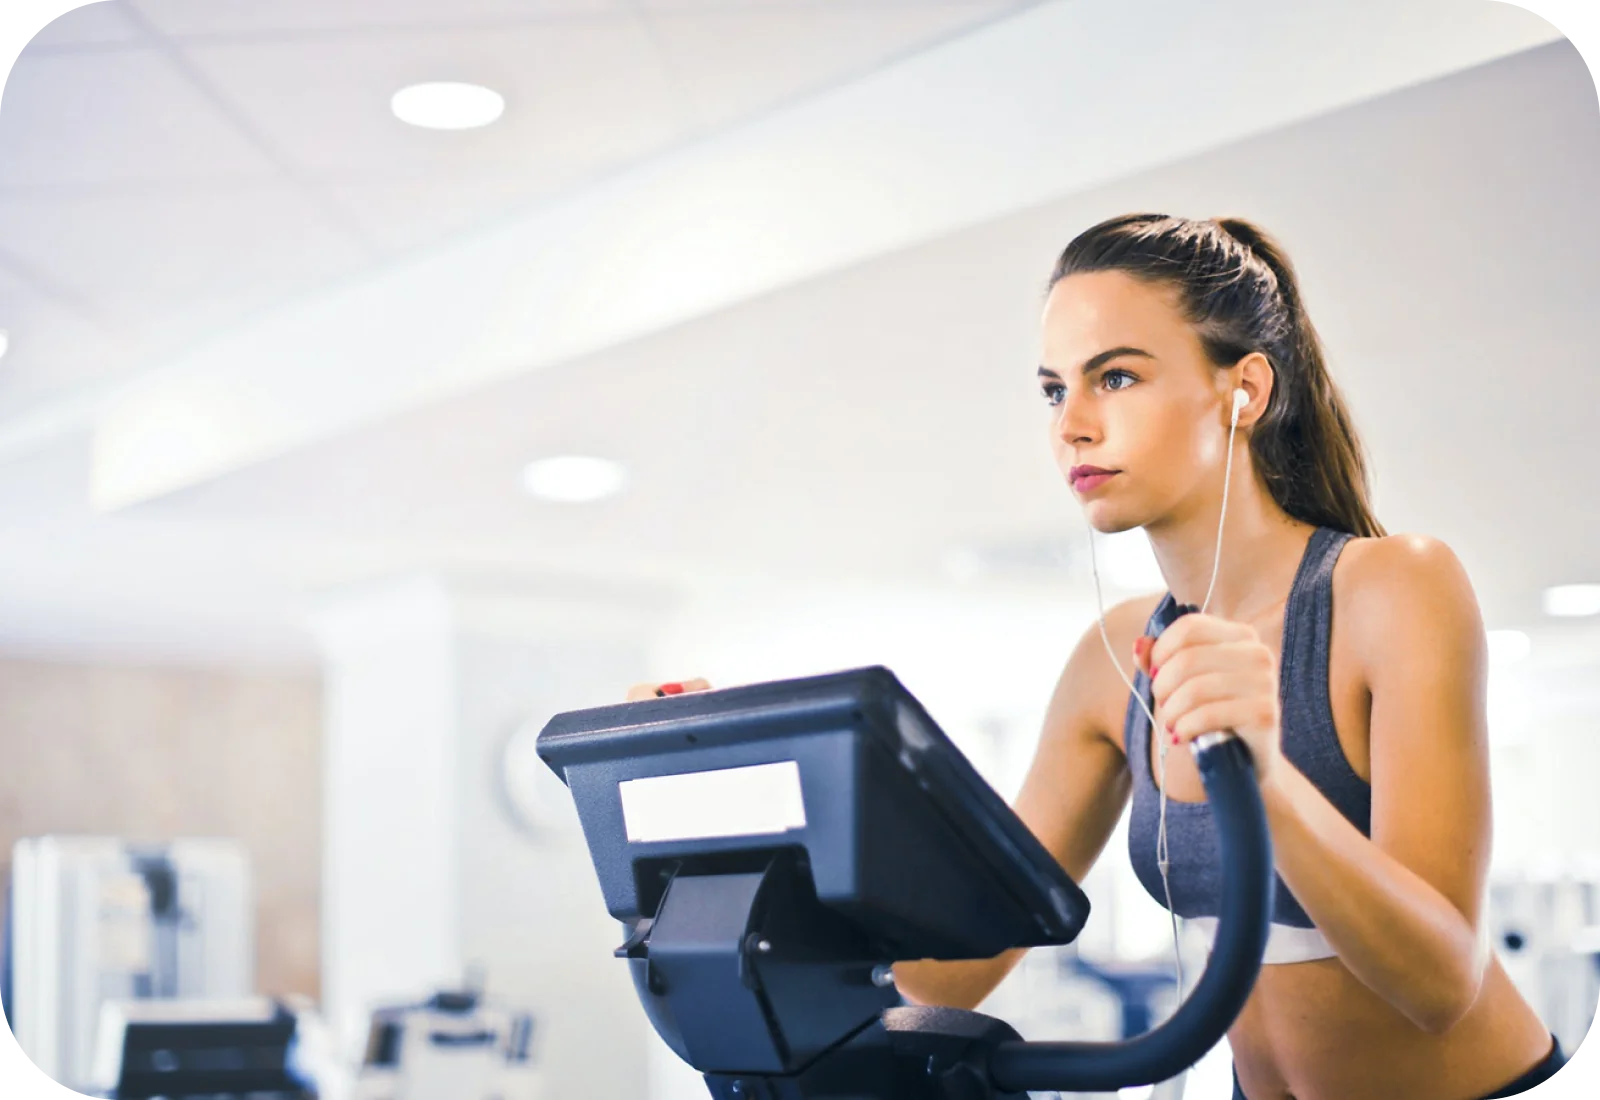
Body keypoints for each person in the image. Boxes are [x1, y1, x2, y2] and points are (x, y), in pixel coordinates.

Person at [628, 214, 1569, 1099]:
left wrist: (1261, 774)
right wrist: (723, 842)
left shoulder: (1389, 589)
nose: (1070, 422)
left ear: (1242, 390)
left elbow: (1442, 981)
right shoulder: (1115, 657)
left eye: (1115, 377)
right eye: (1053, 388)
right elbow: (958, 964)